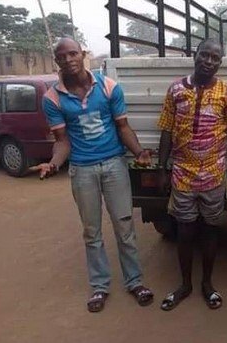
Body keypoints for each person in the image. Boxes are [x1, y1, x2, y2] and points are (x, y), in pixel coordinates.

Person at [32, 37, 154, 313]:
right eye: (62, 56)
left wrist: (138, 153)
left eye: (73, 53)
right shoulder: (52, 98)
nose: (68, 59)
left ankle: (135, 282)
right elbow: (62, 141)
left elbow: (123, 127)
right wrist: (52, 163)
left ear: (83, 54)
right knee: (92, 232)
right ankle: (100, 287)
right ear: (57, 61)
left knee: (124, 227)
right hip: (82, 170)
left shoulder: (109, 87)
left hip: (114, 165)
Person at [156, 38, 227, 311]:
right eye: (205, 55)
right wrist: (162, 168)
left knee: (211, 231)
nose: (209, 61)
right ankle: (185, 284)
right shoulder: (175, 90)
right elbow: (166, 130)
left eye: (215, 58)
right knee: (184, 232)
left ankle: (207, 284)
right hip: (182, 177)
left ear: (220, 63)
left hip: (213, 176)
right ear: (194, 55)